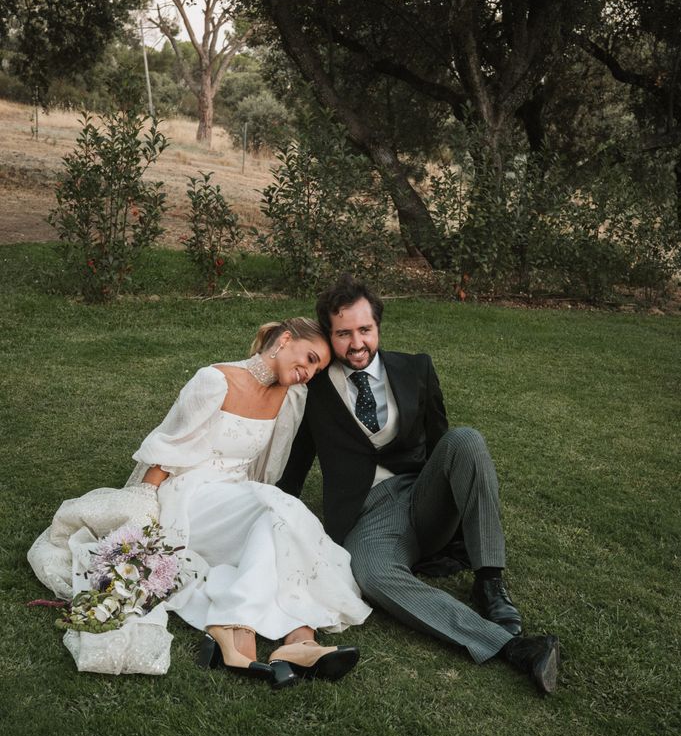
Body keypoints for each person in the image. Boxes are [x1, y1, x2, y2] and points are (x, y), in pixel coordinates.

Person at [28, 317, 371, 684]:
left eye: (318, 366)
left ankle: (295, 640)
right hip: (188, 494)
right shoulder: (215, 380)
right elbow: (167, 450)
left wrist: (248, 510)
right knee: (279, 509)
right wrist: (144, 502)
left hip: (236, 497)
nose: (310, 371)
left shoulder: (291, 398)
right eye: (309, 357)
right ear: (285, 340)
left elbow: (262, 470)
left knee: (275, 524)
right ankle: (254, 629)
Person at [278, 277, 560, 695]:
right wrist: (270, 515)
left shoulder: (416, 368)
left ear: (378, 327)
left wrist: (457, 526)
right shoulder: (313, 390)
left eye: (365, 330)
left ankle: (490, 581)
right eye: (344, 334)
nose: (356, 343)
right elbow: (296, 465)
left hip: (422, 496)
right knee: (370, 573)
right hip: (368, 517)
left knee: (465, 439)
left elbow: (444, 445)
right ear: (330, 335)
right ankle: (511, 647)